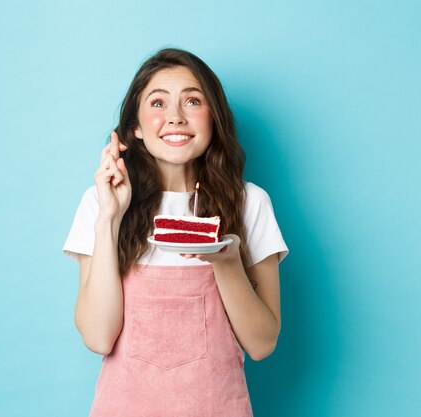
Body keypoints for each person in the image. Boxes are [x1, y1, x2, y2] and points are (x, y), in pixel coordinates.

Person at [63, 48, 288, 417]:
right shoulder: (99, 203)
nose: (176, 118)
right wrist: (109, 218)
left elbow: (262, 343)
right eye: (158, 103)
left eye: (193, 101)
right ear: (134, 127)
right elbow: (98, 336)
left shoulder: (250, 204)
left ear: (213, 118)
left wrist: (227, 262)